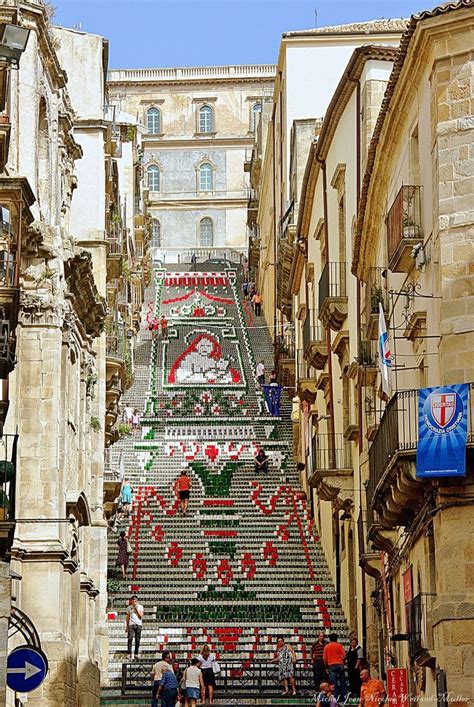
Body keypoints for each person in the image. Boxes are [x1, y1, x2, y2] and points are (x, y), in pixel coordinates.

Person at [323, 633, 347, 703]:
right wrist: (343, 662)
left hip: (331, 665)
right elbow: (344, 656)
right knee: (343, 682)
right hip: (340, 664)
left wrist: (326, 667)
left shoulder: (327, 647)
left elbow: (324, 658)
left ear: (330, 639)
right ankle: (344, 697)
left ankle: (335, 697)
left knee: (333, 683)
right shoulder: (339, 646)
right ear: (336, 639)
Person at [125, 595, 144, 660]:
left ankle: (136, 653)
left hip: (138, 625)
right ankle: (129, 653)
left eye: (135, 601)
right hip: (131, 625)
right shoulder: (129, 607)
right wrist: (126, 626)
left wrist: (136, 609)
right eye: (133, 601)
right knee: (130, 639)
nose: (134, 602)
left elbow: (141, 616)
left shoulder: (140, 607)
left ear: (137, 601)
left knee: (137, 640)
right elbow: (127, 618)